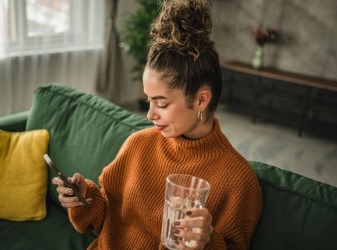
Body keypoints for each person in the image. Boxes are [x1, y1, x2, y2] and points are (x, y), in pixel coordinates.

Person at [52, 0, 263, 249]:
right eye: (148, 100)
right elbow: (106, 221)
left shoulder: (239, 181)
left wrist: (205, 241)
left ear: (200, 100)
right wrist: (84, 198)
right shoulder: (138, 144)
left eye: (161, 104)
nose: (150, 114)